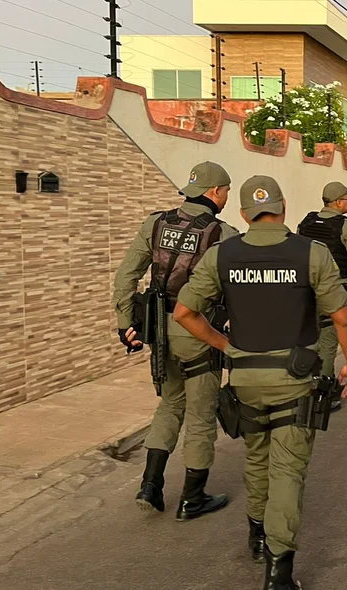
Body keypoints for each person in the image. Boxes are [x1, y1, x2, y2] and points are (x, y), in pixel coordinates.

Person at [174, 175, 347, 589]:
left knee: (257, 458)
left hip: (244, 379)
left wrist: (226, 345)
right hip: (295, 380)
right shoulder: (310, 253)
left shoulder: (223, 255)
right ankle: (279, 570)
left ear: (243, 213)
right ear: (284, 206)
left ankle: (257, 536)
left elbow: (184, 312)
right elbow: (343, 315)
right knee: (287, 471)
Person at [112, 161, 239, 520]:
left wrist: (126, 324)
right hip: (199, 331)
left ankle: (150, 486)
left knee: (170, 404)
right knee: (200, 416)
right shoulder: (223, 234)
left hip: (159, 332)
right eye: (226, 190)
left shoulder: (155, 223)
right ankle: (192, 498)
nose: (226, 196)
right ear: (215, 192)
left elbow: (125, 277)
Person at [297, 181, 347, 411]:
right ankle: (321, 395)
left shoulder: (306, 222)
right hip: (334, 290)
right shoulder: (346, 227)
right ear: (338, 202)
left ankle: (302, 385)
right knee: (328, 341)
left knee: (307, 339)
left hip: (305, 290)